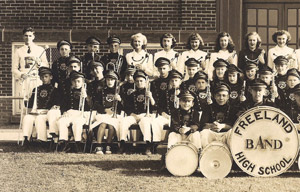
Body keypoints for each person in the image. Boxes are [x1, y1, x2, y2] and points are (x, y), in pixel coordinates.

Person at [119, 70, 156, 155]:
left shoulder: (150, 93)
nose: (139, 83)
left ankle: (148, 146)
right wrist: (132, 114)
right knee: (124, 121)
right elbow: (127, 107)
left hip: (146, 115)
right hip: (134, 115)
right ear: (135, 82)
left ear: (145, 81)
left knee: (145, 122)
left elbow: (155, 107)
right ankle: (123, 144)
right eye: (137, 81)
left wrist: (151, 98)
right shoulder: (132, 94)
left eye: (141, 81)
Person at [21, 67, 59, 148]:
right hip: (36, 112)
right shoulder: (36, 89)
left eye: (46, 76)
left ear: (51, 77)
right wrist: (26, 99)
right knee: (27, 118)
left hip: (47, 113)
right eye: (42, 77)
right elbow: (30, 104)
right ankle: (26, 138)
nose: (44, 79)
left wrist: (51, 109)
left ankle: (42, 140)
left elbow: (56, 104)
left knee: (39, 119)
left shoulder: (55, 90)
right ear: (40, 78)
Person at [12, 27, 49, 108]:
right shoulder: (18, 51)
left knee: (37, 101)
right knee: (25, 103)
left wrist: (40, 64)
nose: (28, 38)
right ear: (23, 37)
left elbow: (46, 65)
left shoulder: (40, 50)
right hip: (25, 80)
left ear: (33, 37)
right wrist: (21, 74)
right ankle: (25, 119)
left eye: (30, 36)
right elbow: (14, 69)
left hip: (37, 79)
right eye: (26, 36)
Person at [90, 70, 122, 154]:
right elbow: (96, 104)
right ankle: (98, 146)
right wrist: (104, 110)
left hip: (115, 114)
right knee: (103, 124)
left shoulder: (119, 91)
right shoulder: (101, 91)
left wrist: (120, 100)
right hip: (103, 113)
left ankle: (108, 145)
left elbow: (124, 106)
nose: (110, 82)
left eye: (112, 80)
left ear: (115, 81)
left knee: (111, 126)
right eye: (108, 80)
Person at [57, 71, 90, 152]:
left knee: (77, 123)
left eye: (79, 81)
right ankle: (63, 142)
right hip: (70, 112)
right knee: (61, 121)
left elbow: (90, 106)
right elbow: (64, 103)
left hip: (81, 113)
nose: (76, 83)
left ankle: (77, 143)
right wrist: (64, 111)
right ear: (71, 82)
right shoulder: (68, 92)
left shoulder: (87, 92)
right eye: (74, 81)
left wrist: (86, 97)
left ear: (82, 82)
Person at [200, 83, 237, 148]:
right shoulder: (208, 107)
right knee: (204, 133)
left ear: (228, 97)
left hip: (225, 135)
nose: (221, 98)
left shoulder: (233, 108)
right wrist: (212, 125)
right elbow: (202, 125)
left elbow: (235, 126)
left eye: (224, 95)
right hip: (212, 134)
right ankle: (205, 154)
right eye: (218, 95)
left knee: (232, 133)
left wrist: (222, 126)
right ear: (214, 96)